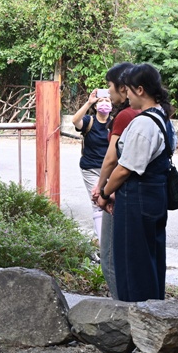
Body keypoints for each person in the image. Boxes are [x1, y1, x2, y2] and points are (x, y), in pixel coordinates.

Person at [98, 63, 175, 302]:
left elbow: (123, 169)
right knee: (150, 261)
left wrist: (104, 192)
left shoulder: (143, 123)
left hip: (137, 201)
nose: (126, 95)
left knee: (133, 265)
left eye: (129, 90)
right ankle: (154, 313)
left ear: (140, 90)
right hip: (154, 199)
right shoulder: (163, 118)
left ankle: (137, 319)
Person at [93, 62, 138, 298]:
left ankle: (119, 310)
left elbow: (112, 159)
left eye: (110, 86)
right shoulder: (156, 113)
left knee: (110, 257)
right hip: (142, 198)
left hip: (119, 194)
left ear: (124, 87)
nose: (108, 92)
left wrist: (101, 189)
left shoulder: (125, 116)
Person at [72, 89, 113, 241]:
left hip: (110, 169)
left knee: (111, 201)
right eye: (101, 101)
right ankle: (102, 242)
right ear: (96, 106)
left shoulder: (115, 122)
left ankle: (111, 238)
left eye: (107, 101)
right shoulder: (89, 121)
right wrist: (88, 102)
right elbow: (75, 121)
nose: (104, 103)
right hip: (91, 168)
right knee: (97, 202)